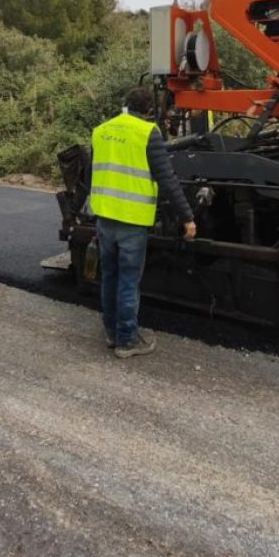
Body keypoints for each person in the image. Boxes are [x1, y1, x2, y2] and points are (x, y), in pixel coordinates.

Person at [90, 86, 196, 358]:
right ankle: (127, 341)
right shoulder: (149, 133)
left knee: (110, 277)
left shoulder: (101, 130)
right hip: (132, 220)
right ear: (149, 110)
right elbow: (168, 179)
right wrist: (187, 217)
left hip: (104, 216)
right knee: (128, 281)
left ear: (126, 104)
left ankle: (112, 333)